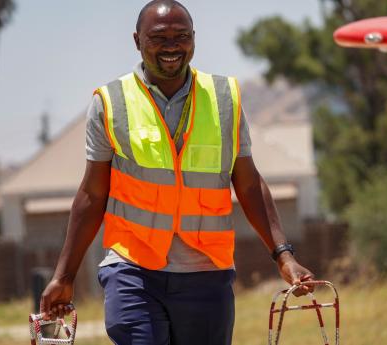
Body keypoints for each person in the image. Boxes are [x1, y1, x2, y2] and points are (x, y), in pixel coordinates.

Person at [40, 1, 314, 344]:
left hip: (206, 275)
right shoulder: (111, 102)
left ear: (194, 39)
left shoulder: (224, 99)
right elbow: (93, 194)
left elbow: (248, 183)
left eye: (181, 36)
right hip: (132, 270)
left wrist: (283, 256)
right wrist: (64, 275)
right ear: (137, 40)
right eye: (159, 37)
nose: (172, 46)